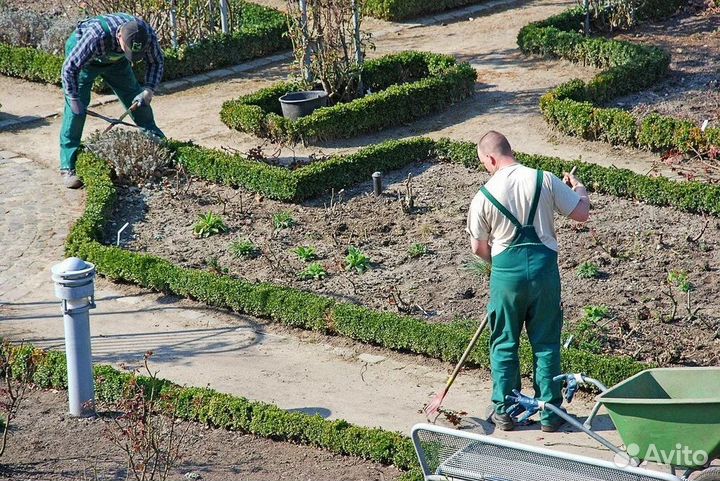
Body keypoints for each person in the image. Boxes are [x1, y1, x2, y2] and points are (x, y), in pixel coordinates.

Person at [466, 131, 590, 432]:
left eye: (485, 162)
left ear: (491, 158)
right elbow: (581, 213)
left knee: (505, 342)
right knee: (546, 342)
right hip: (544, 272)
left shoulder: (483, 196)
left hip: (507, 276)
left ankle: (505, 411)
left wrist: (503, 268)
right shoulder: (545, 179)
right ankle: (549, 413)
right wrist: (580, 189)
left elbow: (478, 248)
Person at [59, 13, 165, 188]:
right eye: (129, 50)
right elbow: (70, 68)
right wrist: (73, 97)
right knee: (75, 112)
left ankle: (158, 140)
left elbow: (157, 62)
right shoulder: (96, 35)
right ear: (119, 37)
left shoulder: (147, 35)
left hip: (117, 62)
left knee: (137, 99)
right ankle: (68, 167)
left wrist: (149, 89)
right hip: (84, 62)